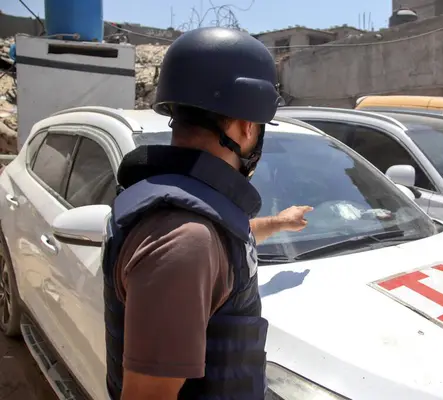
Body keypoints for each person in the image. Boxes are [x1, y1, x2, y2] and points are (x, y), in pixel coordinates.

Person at [101, 27, 313, 400]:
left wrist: (279, 223)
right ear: (246, 127)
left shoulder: (193, 214)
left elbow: (229, 242)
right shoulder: (186, 239)